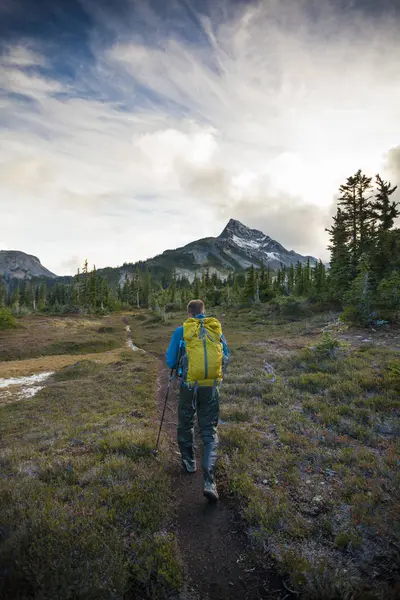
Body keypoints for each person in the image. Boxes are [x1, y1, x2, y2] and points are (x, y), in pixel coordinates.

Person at [166, 299, 229, 502]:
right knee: (209, 430)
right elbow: (225, 355)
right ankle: (209, 480)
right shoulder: (214, 328)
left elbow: (169, 360)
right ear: (204, 311)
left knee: (186, 421)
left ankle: (188, 462)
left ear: (189, 314)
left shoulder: (182, 331)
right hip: (210, 386)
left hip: (188, 385)